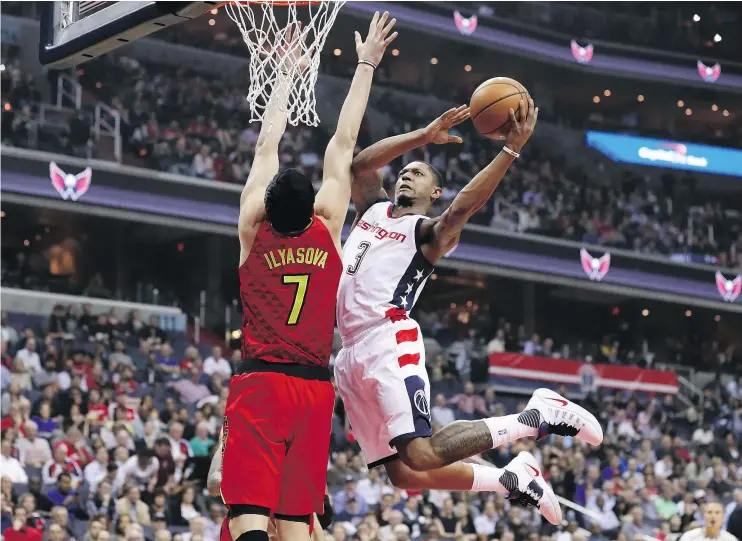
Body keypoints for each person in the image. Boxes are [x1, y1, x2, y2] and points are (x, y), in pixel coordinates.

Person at [333, 100, 603, 525]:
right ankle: (512, 478)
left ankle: (538, 415)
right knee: (403, 474)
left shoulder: (428, 234)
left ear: (433, 194)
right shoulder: (371, 209)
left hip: (387, 338)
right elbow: (360, 165)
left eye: (419, 173)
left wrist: (510, 150)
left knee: (422, 452)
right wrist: (422, 136)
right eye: (405, 170)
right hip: (348, 353)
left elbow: (463, 208)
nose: (407, 173)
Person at [219, 13, 397, 541]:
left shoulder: (254, 230)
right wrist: (365, 65)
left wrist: (285, 75)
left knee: (249, 517)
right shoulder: (328, 226)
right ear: (312, 206)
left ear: (266, 206)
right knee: (298, 525)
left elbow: (264, 149)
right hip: (315, 391)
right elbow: (343, 143)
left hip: (262, 384)